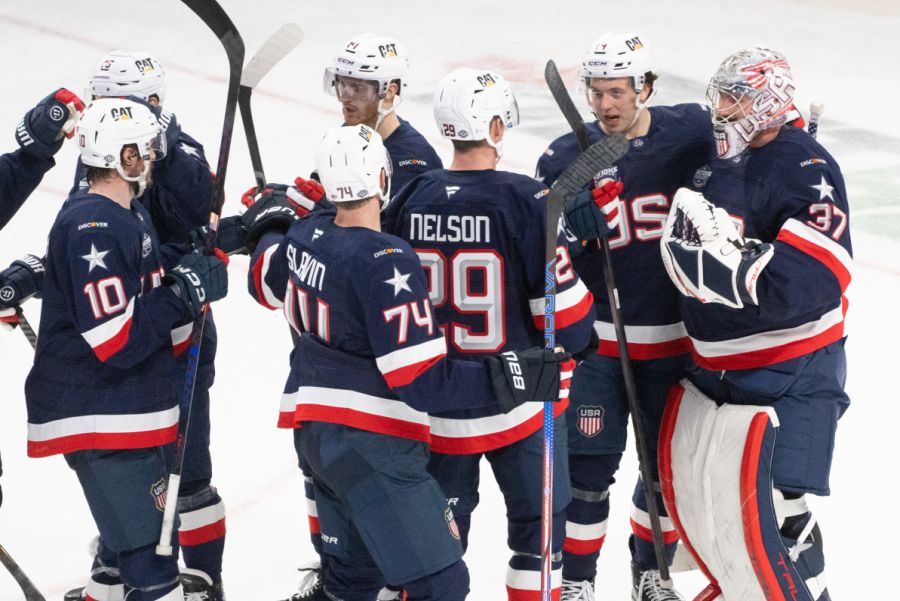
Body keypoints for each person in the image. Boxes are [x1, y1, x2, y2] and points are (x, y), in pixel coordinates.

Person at [242, 123, 572, 601]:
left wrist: (270, 222)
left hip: (313, 435)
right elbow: (423, 383)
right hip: (370, 441)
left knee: (352, 581)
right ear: (381, 179)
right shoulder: (388, 259)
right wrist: (513, 377)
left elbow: (262, 278)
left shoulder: (305, 234)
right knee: (441, 584)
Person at [382, 68, 596, 601]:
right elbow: (566, 322)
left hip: (438, 403)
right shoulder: (529, 200)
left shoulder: (411, 196)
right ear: (497, 126)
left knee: (436, 553)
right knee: (538, 542)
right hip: (523, 401)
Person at [658, 47, 850, 601]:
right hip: (719, 370)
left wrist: (740, 272)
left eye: (734, 95)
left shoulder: (805, 164)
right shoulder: (717, 160)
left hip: (790, 369)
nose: (719, 108)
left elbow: (821, 274)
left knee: (778, 503)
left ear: (766, 99)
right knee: (721, 508)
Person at [23, 98, 228, 601]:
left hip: (123, 413)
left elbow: (142, 290)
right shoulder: (96, 224)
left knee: (135, 555)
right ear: (125, 157)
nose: (155, 160)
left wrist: (206, 255)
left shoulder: (124, 212)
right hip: (103, 419)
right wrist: (182, 293)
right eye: (147, 152)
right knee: (152, 570)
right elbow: (116, 340)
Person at [534, 33, 714, 600]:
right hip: (598, 352)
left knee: (663, 478)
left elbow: (741, 170)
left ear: (647, 88)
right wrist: (570, 223)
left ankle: (653, 577)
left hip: (673, 346)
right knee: (586, 478)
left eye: (618, 92)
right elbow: (540, 254)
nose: (606, 105)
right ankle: (578, 585)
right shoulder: (565, 159)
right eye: (597, 93)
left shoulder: (690, 133)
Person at [323, 32, 442, 193]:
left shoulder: (414, 160)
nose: (345, 98)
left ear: (389, 91)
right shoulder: (344, 136)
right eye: (343, 85)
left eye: (357, 88)